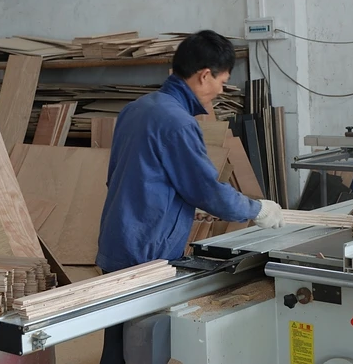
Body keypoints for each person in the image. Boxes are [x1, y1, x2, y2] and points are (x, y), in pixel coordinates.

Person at [95, 29, 285, 364]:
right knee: (144, 348)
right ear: (204, 75)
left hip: (118, 240)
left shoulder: (136, 109)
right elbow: (207, 191)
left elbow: (120, 178)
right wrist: (257, 209)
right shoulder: (178, 123)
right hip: (148, 253)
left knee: (115, 345)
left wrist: (173, 207)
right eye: (222, 81)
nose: (221, 90)